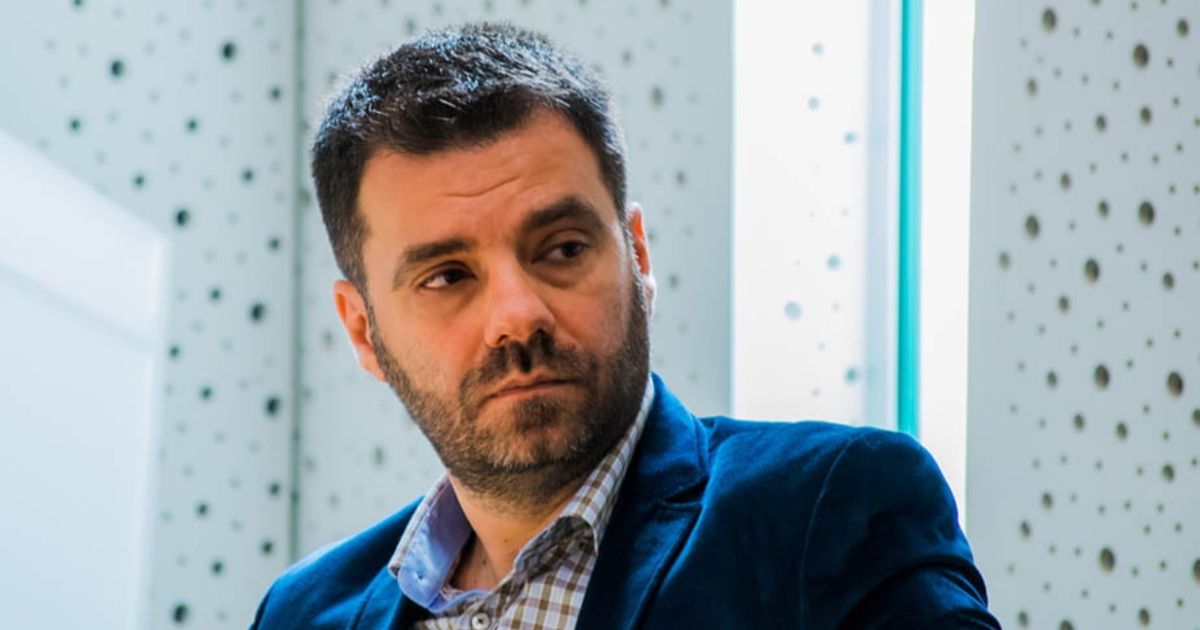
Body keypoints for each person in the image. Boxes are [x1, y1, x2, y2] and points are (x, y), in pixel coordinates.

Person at [252, 22, 998, 629]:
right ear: (363, 331)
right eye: (447, 277)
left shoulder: (833, 513)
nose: (517, 316)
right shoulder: (301, 612)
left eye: (562, 249)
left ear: (637, 256)